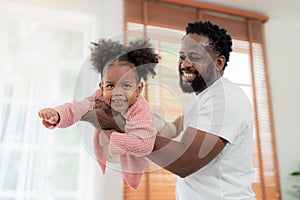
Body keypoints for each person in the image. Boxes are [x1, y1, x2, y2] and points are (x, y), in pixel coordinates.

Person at [98, 21, 255, 199]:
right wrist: (141, 118)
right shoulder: (202, 97)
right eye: (182, 56)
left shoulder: (224, 100)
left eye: (195, 57)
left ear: (218, 63)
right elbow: (178, 126)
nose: (185, 64)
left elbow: (185, 162)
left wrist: (125, 127)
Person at [38, 39, 177, 190]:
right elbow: (77, 107)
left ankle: (178, 124)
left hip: (155, 125)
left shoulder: (139, 107)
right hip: (126, 131)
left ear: (138, 90)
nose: (118, 92)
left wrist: (111, 135)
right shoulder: (98, 97)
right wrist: (57, 114)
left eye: (126, 85)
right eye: (111, 85)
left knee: (172, 130)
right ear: (102, 87)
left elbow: (144, 145)